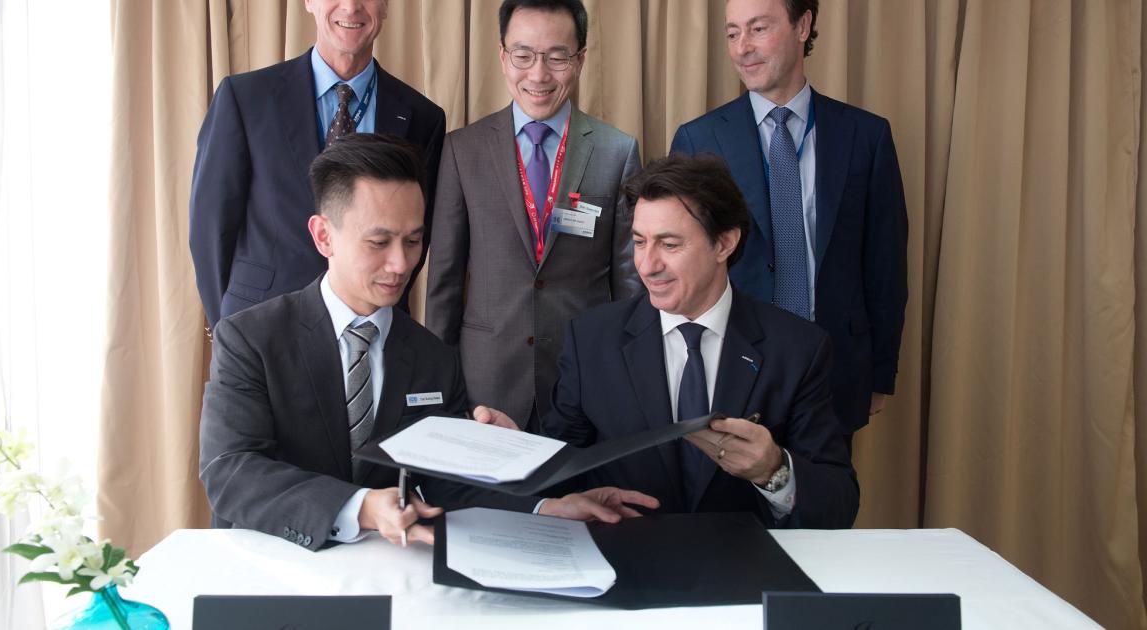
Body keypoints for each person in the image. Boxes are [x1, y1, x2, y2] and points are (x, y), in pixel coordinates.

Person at [199, 134, 655, 550]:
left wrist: (546, 506)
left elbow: (441, 485)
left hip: (389, 574)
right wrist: (360, 506)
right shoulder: (250, 338)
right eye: (378, 242)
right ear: (323, 236)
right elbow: (232, 471)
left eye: (414, 241)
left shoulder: (432, 356)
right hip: (270, 567)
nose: (400, 264)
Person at [481, 154, 859, 528]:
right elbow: (564, 470)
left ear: (724, 243)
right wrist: (520, 453)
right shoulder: (592, 340)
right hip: (626, 567)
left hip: (746, 572)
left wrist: (773, 470)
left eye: (670, 244)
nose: (647, 264)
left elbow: (838, 506)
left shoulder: (798, 349)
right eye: (640, 242)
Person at [670, 0, 908, 449]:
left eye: (758, 29)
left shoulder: (866, 137)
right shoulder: (698, 139)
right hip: (730, 373)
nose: (742, 48)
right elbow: (683, 266)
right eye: (732, 32)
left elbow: (886, 265)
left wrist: (880, 372)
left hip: (834, 369)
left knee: (822, 508)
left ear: (803, 25)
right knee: (733, 518)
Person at [425, 0, 643, 432]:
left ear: (580, 60)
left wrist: (626, 376)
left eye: (557, 57)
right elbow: (444, 282)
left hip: (585, 379)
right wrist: (441, 385)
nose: (539, 75)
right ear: (504, 56)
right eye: (523, 55)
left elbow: (629, 281)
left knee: (582, 497)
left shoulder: (617, 152)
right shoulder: (463, 149)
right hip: (486, 381)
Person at [190, 0, 446, 332]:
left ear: (384, 6)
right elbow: (210, 228)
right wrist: (228, 330)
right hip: (262, 328)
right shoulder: (245, 99)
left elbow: (417, 236)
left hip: (372, 333)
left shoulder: (423, 117)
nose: (351, 7)